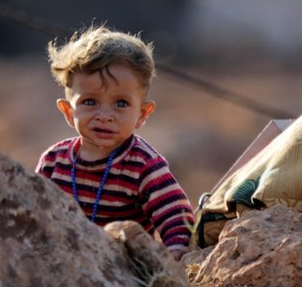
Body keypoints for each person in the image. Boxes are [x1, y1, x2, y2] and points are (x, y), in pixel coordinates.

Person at [35, 25, 194, 260]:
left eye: (121, 104)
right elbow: (34, 211)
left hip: (124, 275)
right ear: (68, 111)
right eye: (90, 102)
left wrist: (176, 251)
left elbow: (175, 217)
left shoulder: (144, 164)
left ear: (142, 114)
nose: (105, 115)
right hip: (63, 264)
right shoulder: (53, 162)